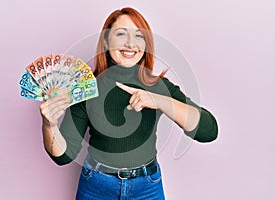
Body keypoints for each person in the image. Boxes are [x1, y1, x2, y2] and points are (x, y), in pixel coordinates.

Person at [39, 7, 218, 200]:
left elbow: (208, 131)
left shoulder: (158, 86)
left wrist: (159, 101)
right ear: (106, 41)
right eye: (121, 34)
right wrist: (49, 124)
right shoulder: (86, 88)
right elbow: (63, 156)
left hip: (147, 188)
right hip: (96, 187)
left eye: (139, 36)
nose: (131, 43)